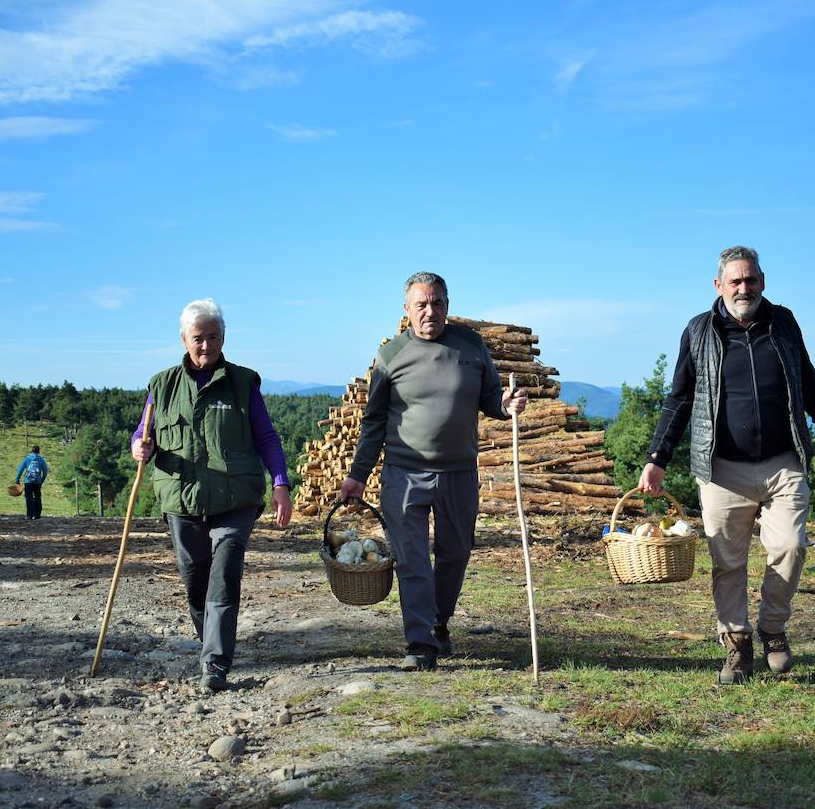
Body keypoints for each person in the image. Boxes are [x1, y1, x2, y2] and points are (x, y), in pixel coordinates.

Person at [639, 246, 815, 684]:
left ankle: (773, 628)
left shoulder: (783, 323)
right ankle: (736, 644)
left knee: (791, 547)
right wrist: (658, 457)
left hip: (783, 461)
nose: (743, 288)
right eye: (735, 281)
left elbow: (806, 380)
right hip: (722, 469)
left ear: (763, 281)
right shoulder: (699, 332)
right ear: (718, 286)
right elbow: (679, 398)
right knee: (727, 564)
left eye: (750, 280)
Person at [339, 272, 528, 672]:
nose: (430, 311)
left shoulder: (471, 346)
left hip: (459, 472)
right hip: (403, 474)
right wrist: (357, 474)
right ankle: (420, 641)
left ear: (448, 304)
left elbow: (491, 398)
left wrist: (507, 402)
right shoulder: (391, 355)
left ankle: (440, 622)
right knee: (411, 560)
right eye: (421, 304)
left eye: (437, 302)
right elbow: (373, 422)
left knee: (455, 554)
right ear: (406, 310)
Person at [131, 298, 293, 693]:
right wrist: (139, 446)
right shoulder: (162, 384)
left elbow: (266, 437)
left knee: (224, 573)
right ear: (184, 339)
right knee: (195, 580)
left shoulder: (242, 382)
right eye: (198, 339)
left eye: (214, 338)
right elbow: (143, 432)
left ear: (224, 338)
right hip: (181, 500)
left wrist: (280, 483)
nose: (206, 346)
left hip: (235, 499)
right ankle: (211, 644)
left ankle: (215, 662)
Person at [15, 445, 49, 520]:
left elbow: (20, 469)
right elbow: (45, 471)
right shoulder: (41, 460)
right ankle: (37, 514)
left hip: (28, 481)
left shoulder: (26, 459)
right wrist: (41, 480)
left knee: (29, 498)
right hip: (37, 482)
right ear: (39, 451)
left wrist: (17, 479)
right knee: (37, 497)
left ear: (31, 451)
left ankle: (29, 515)